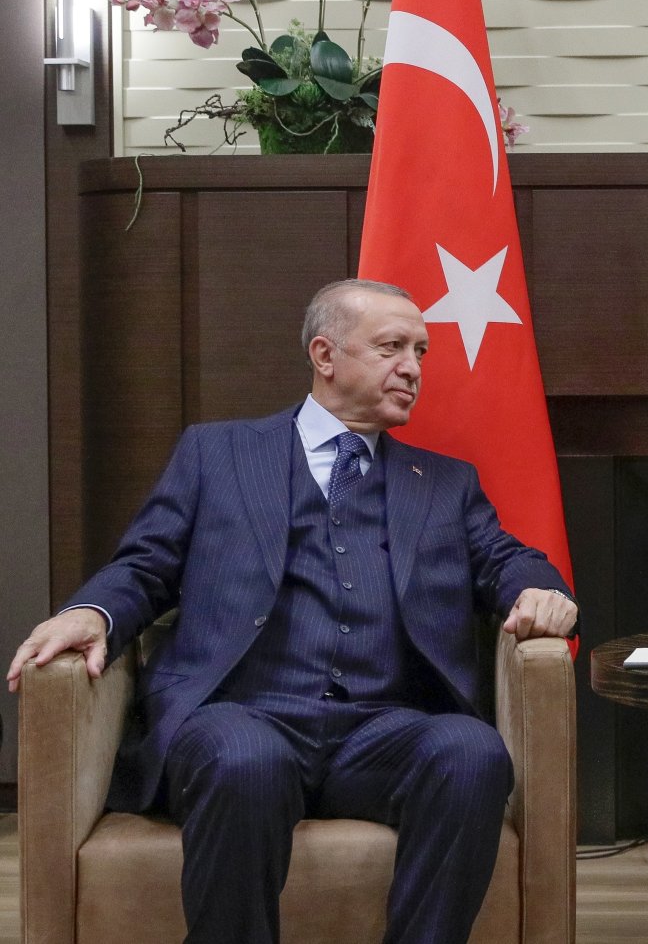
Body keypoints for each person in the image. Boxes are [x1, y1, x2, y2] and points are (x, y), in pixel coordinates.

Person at [7, 278, 578, 944]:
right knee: (245, 760)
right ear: (325, 355)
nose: (413, 369)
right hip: (243, 715)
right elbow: (146, 566)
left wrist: (540, 590)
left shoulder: (445, 483)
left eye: (421, 352)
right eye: (392, 347)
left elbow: (507, 560)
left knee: (471, 751)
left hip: (382, 728)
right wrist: (95, 612)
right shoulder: (215, 454)